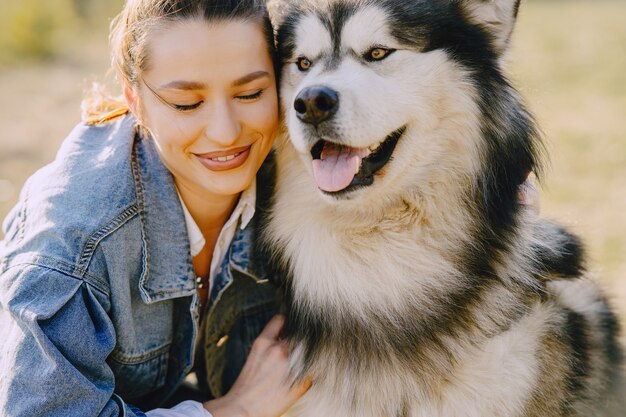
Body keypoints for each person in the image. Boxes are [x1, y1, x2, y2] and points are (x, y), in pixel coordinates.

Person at [0, 0, 310, 416]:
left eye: (250, 93)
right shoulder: (74, 245)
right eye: (186, 103)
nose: (225, 132)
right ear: (135, 100)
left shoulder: (308, 176)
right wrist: (236, 410)